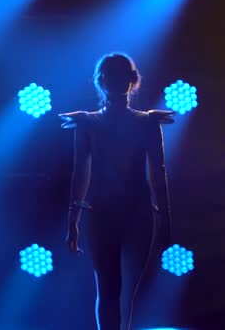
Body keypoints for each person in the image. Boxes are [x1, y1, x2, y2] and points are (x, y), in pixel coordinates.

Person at [59, 53, 173, 330]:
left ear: (131, 80)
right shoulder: (90, 122)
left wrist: (166, 219)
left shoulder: (144, 122)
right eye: (114, 74)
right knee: (113, 291)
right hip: (110, 212)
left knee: (123, 292)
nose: (117, 80)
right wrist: (73, 218)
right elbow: (81, 171)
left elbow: (158, 173)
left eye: (121, 74)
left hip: (131, 213)